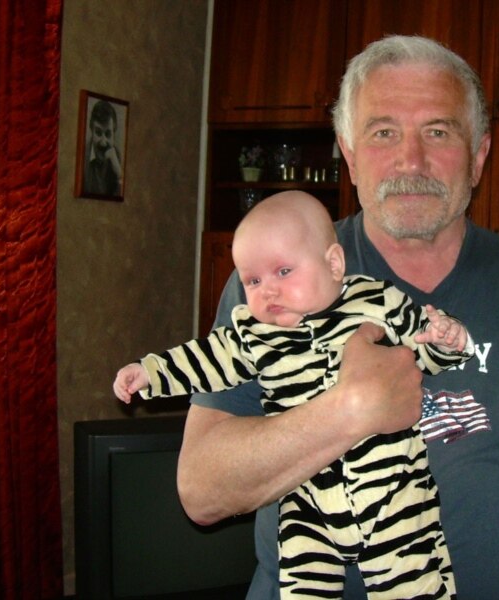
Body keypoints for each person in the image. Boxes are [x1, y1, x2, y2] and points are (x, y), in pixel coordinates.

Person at [178, 35, 499, 599]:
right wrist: (349, 411)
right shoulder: (275, 282)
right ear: (349, 154)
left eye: (438, 132)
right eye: (383, 132)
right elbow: (201, 492)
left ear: (479, 156)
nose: (411, 160)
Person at [114, 191, 473, 598]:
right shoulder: (253, 334)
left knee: (411, 581)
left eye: (283, 271)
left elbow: (421, 348)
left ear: (333, 264)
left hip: (390, 488)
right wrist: (151, 373)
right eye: (253, 281)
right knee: (302, 584)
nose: (267, 291)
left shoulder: (376, 301)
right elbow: (206, 359)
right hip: (307, 498)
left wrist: (446, 339)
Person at [82, 99, 122, 196]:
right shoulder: (82, 157)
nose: (103, 143)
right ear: (92, 131)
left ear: (114, 134)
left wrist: (119, 174)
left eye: (108, 134)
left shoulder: (117, 157)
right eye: (98, 133)